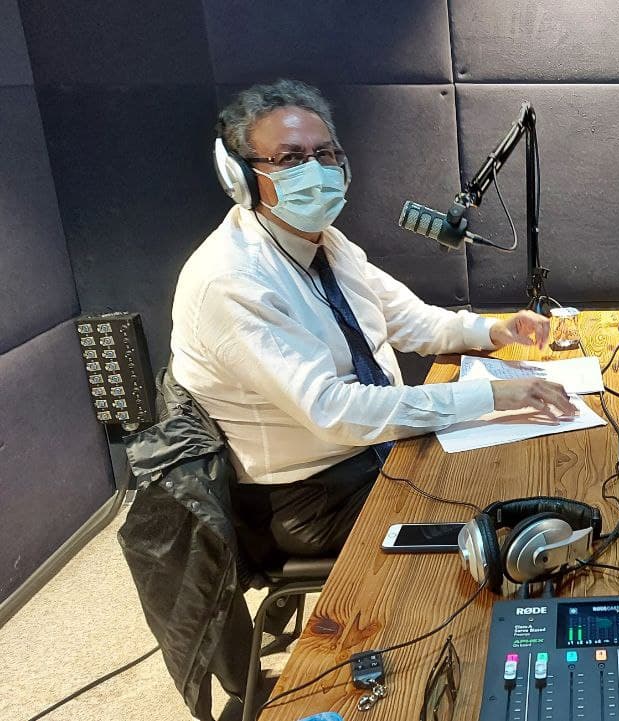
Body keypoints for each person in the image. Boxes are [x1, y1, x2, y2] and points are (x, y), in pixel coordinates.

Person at [171, 78, 575, 566]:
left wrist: (493, 331)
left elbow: (411, 320)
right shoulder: (232, 280)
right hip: (309, 496)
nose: (315, 171)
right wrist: (491, 396)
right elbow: (335, 410)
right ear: (240, 177)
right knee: (497, 510)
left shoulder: (328, 243)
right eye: (290, 158)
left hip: (375, 450)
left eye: (325, 154)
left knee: (529, 472)